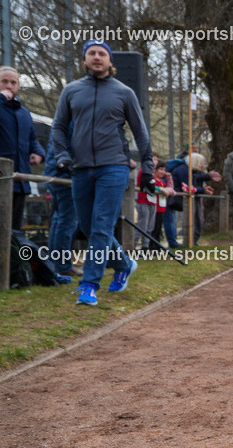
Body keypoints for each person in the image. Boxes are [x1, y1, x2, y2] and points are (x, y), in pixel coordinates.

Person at [50, 40, 152, 306]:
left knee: (101, 225)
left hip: (114, 166)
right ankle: (124, 264)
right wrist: (62, 156)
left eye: (102, 53)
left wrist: (148, 167)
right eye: (91, 53)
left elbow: (140, 132)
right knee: (87, 226)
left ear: (110, 61)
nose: (97, 57)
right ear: (84, 60)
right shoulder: (71, 91)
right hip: (81, 167)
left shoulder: (124, 92)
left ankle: (89, 285)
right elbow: (58, 127)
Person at [0, 66, 46, 230]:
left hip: (20, 180)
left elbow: (31, 138)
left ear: (18, 86)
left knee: (13, 230)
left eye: (13, 82)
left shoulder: (24, 113)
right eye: (4, 81)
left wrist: (38, 153)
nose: (9, 86)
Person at [43, 140, 80, 276]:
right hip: (66, 173)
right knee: (67, 221)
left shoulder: (60, 122)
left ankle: (54, 263)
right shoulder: (73, 120)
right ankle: (62, 265)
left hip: (54, 172)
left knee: (59, 219)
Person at [134, 156, 160, 250]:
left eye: (157, 159)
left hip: (152, 202)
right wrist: (159, 189)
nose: (155, 161)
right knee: (142, 226)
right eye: (153, 159)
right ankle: (132, 246)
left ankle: (145, 246)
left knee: (150, 227)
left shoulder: (154, 174)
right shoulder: (144, 172)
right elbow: (150, 186)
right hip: (143, 201)